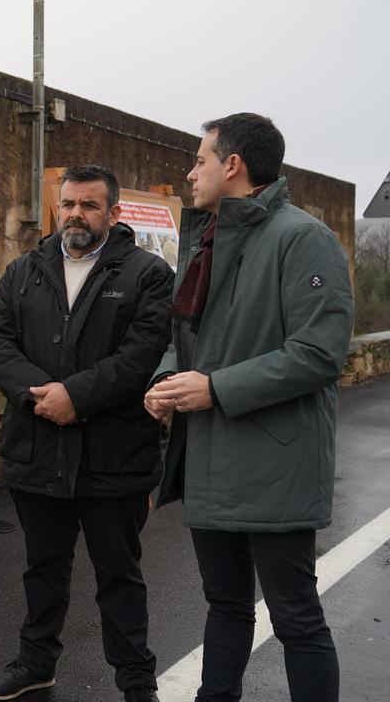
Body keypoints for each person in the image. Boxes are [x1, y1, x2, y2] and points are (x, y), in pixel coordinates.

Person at [144, 113, 353, 702]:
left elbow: (319, 354)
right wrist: (165, 381)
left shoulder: (303, 237)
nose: (190, 173)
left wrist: (214, 389)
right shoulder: (207, 239)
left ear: (232, 165)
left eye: (200, 160)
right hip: (211, 453)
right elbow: (180, 336)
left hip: (276, 460)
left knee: (295, 617)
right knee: (225, 606)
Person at [0, 164, 174, 702]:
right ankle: (37, 662)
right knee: (43, 569)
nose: (75, 215)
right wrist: (44, 394)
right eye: (67, 204)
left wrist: (77, 399)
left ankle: (136, 684)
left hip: (114, 457)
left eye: (88, 205)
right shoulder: (25, 271)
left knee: (119, 578)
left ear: (113, 212)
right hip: (39, 448)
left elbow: (141, 357)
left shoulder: (147, 274)